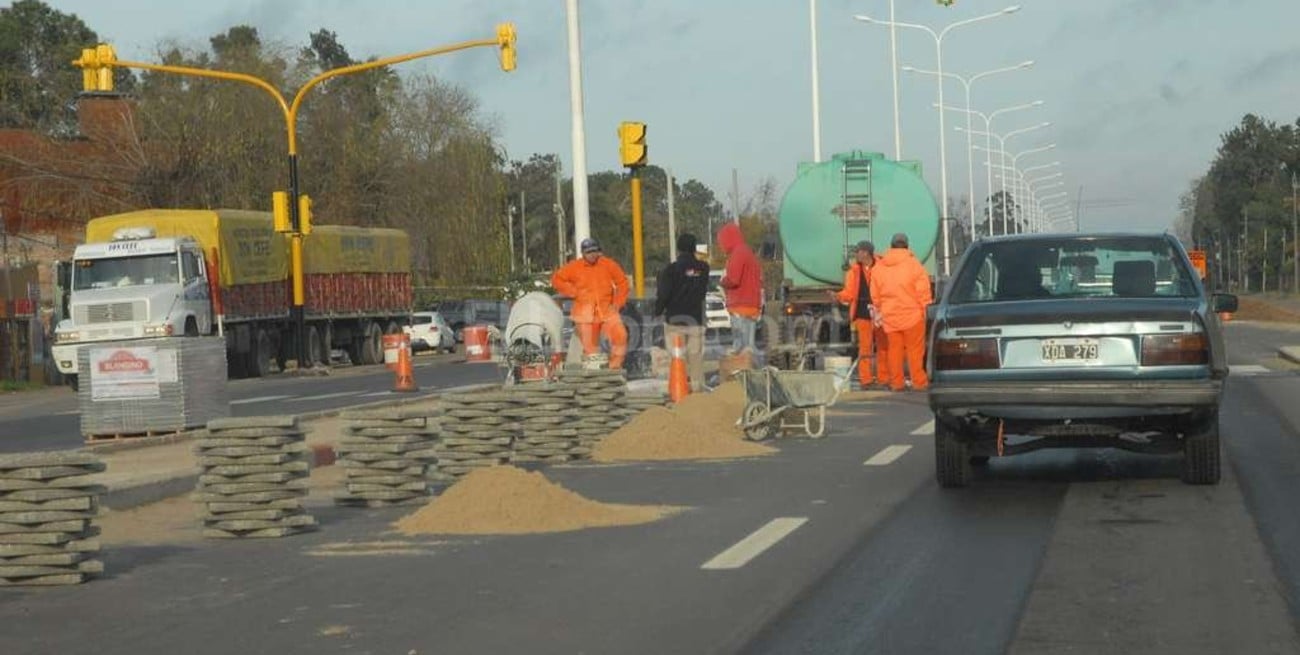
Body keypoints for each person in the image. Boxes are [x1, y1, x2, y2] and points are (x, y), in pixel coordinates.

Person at [551, 237, 630, 369]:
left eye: (595, 251)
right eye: (588, 252)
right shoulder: (574, 267)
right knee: (591, 348)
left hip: (607, 311)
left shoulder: (608, 264)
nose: (592, 254)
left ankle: (614, 367)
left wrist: (618, 303)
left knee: (620, 336)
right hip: (584, 314)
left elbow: (622, 283)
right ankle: (595, 371)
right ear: (583, 253)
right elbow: (557, 279)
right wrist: (573, 292)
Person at [869, 232, 933, 391]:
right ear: (906, 245)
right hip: (912, 316)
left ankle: (896, 383)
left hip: (890, 316)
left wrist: (880, 309)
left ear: (891, 246)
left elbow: (875, 294)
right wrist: (926, 309)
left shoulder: (879, 267)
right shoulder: (914, 264)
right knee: (915, 351)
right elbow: (923, 291)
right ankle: (918, 381)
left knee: (894, 351)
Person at [829, 240, 890, 389]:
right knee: (865, 347)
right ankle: (866, 380)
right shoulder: (853, 272)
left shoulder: (883, 267)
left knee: (883, 347)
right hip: (862, 312)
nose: (856, 254)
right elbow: (849, 293)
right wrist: (837, 296)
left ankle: (884, 378)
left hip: (881, 312)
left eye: (858, 251)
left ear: (866, 253)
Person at [654, 233, 710, 391]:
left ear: (678, 249)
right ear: (694, 248)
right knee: (696, 360)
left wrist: (658, 310)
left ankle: (680, 392)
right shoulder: (703, 268)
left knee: (678, 359)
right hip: (695, 320)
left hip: (675, 321)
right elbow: (702, 292)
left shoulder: (670, 270)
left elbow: (664, 294)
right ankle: (698, 394)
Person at [717, 223, 763, 356]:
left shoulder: (738, 253)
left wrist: (723, 282)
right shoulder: (748, 252)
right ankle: (753, 372)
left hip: (740, 306)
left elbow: (733, 279)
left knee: (739, 349)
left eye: (722, 242)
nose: (721, 246)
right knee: (749, 349)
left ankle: (741, 374)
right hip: (752, 304)